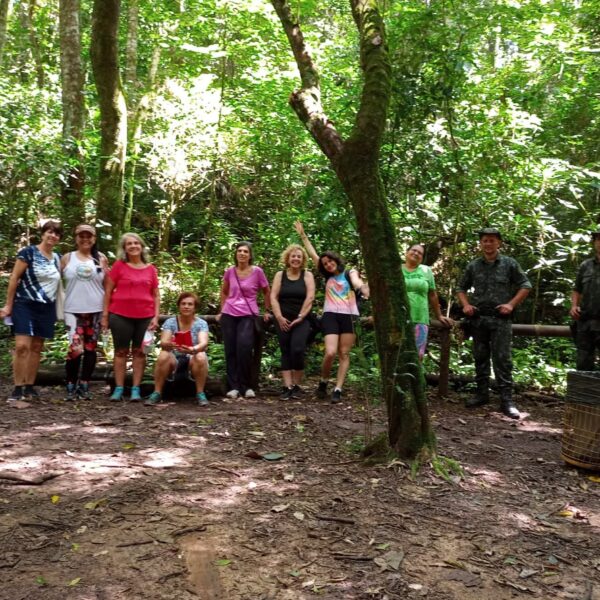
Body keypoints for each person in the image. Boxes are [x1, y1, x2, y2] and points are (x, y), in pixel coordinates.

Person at [456, 228, 531, 419]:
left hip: (500, 320)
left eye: (491, 241)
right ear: (480, 244)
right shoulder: (474, 266)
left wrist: (511, 305)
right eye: (484, 241)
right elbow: (460, 288)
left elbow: (525, 285)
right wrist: (466, 305)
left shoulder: (509, 264)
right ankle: (482, 394)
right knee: (480, 357)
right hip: (478, 319)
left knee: (502, 360)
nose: (487, 244)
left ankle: (507, 400)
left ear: (499, 243)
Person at [294, 220, 369, 404]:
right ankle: (323, 381)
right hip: (330, 316)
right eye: (325, 263)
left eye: (330, 262)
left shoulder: (349, 272)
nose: (328, 265)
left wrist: (363, 288)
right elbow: (313, 254)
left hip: (350, 315)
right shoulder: (327, 277)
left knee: (344, 353)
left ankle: (338, 388)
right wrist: (303, 235)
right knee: (330, 352)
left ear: (336, 261)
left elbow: (358, 282)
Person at [0, 220, 63, 401]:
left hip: (47, 306)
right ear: (43, 233)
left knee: (36, 347)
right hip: (25, 304)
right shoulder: (28, 252)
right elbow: (14, 278)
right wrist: (8, 305)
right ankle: (18, 387)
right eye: (50, 232)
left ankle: (30, 385)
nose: (53, 236)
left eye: (57, 234)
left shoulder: (58, 258)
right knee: (22, 346)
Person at [101, 233, 159, 402]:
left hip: (145, 316)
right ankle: (119, 388)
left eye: (136, 243)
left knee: (140, 353)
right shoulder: (119, 266)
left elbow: (156, 295)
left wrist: (155, 317)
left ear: (141, 246)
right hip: (120, 315)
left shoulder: (150, 269)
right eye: (129, 244)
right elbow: (108, 291)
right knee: (120, 352)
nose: (133, 246)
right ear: (124, 248)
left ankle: (135, 389)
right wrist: (105, 315)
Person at [217, 241, 271, 399]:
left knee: (245, 349)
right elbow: (224, 291)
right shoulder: (230, 272)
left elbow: (266, 291)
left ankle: (246, 386)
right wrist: (222, 310)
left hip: (248, 314)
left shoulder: (257, 272)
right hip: (229, 314)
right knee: (231, 350)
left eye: (245, 251)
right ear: (235, 254)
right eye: (239, 251)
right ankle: (233, 387)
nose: (242, 253)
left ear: (250, 255)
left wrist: (267, 310)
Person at [61, 224, 108, 401]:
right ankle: (71, 384)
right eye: (82, 235)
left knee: (90, 349)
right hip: (73, 310)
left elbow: (107, 286)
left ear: (94, 238)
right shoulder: (67, 258)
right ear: (76, 237)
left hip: (95, 309)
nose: (85, 239)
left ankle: (85, 384)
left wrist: (105, 313)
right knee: (75, 349)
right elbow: (54, 281)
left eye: (89, 236)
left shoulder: (100, 259)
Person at [145, 292, 209, 406]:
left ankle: (200, 393)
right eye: (183, 304)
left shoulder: (201, 323)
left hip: (192, 356)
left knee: (201, 355)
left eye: (190, 304)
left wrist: (192, 349)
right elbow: (164, 343)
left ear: (195, 307)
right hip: (174, 356)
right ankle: (157, 392)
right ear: (179, 306)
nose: (186, 306)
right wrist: (171, 344)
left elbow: (203, 343)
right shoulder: (170, 322)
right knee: (163, 354)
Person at [271, 244, 315, 400]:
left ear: (302, 260)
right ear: (288, 258)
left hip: (302, 318)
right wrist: (279, 317)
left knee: (297, 348)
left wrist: (301, 316)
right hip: (282, 318)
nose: (296, 259)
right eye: (293, 256)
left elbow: (310, 297)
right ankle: (286, 386)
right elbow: (273, 297)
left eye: (299, 256)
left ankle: (296, 385)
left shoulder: (307, 275)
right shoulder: (280, 275)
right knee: (285, 350)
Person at [402, 243, 452, 360]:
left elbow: (432, 294)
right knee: (397, 353)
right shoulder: (396, 269)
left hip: (420, 317)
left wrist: (439, 315)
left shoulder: (426, 270)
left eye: (420, 253)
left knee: (417, 356)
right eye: (414, 250)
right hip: (398, 317)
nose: (416, 253)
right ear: (407, 252)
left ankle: (415, 378)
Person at [570, 230, 600, 370]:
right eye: (598, 240)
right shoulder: (586, 265)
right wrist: (574, 306)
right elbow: (577, 289)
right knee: (583, 364)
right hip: (586, 322)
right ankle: (583, 392)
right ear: (594, 243)